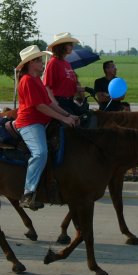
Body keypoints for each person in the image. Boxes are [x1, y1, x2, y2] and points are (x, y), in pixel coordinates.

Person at [15, 45, 78, 210]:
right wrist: (63, 118)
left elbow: (50, 102)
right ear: (31, 63)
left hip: (42, 121)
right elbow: (40, 107)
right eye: (39, 60)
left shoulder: (36, 79)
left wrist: (68, 115)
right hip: (30, 123)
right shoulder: (27, 80)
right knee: (40, 152)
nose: (44, 63)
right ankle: (27, 194)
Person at [43, 32, 84, 116]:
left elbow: (68, 84)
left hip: (70, 100)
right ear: (61, 46)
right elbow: (47, 86)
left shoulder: (66, 63)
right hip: (60, 101)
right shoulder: (53, 63)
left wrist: (83, 89)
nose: (72, 46)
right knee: (71, 124)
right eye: (69, 44)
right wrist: (55, 104)